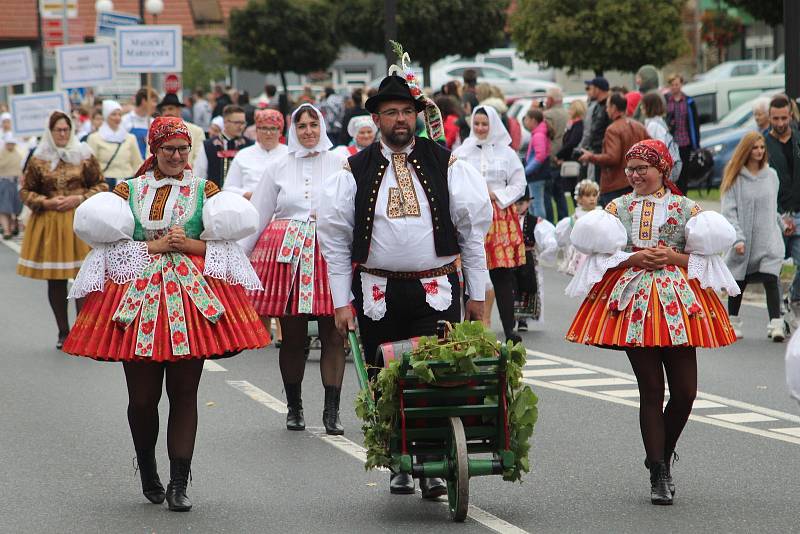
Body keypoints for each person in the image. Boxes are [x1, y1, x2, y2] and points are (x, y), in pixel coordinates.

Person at [62, 116, 269, 512]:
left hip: (190, 303)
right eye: (168, 149)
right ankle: (146, 468)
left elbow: (225, 248)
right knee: (141, 399)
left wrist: (188, 243)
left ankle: (178, 481)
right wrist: (153, 248)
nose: (176, 156)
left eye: (182, 148)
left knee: (184, 393)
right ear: (154, 151)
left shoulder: (205, 190)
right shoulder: (128, 190)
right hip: (136, 300)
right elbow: (106, 247)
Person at [317, 73, 492, 499]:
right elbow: (336, 241)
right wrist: (341, 302)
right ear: (375, 118)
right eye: (392, 112)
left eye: (407, 111)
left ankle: (431, 464)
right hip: (377, 290)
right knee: (384, 377)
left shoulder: (447, 163)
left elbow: (472, 233)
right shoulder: (353, 170)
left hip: (437, 288)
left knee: (435, 378)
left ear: (417, 115)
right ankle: (397, 458)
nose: (401, 120)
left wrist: (477, 295)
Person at [565, 139, 738, 505]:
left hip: (680, 304)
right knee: (650, 390)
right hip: (633, 305)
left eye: (643, 168)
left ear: (663, 169)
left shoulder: (687, 207)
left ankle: (662, 450)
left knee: (686, 393)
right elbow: (598, 255)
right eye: (631, 168)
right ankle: (658, 471)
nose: (635, 174)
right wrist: (633, 258)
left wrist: (673, 256)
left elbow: (706, 256)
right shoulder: (617, 207)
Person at [239, 103, 347, 436]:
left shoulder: (341, 162)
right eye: (302, 126)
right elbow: (258, 213)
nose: (309, 131)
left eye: (314, 124)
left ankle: (332, 411)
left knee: (334, 333)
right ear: (293, 130)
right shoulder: (277, 165)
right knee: (294, 337)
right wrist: (238, 261)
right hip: (288, 258)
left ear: (323, 126)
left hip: (329, 253)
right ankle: (295, 407)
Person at [17, 111, 107, 348]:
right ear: (50, 131)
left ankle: (82, 330)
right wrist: (46, 202)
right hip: (50, 223)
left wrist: (78, 198)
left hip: (80, 222)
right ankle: (63, 331)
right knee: (56, 280)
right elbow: (25, 191)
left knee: (82, 278)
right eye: (58, 130)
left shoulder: (84, 155)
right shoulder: (38, 159)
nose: (63, 134)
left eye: (66, 129)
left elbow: (100, 184)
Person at [454, 105, 527, 343]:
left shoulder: (506, 153)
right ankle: (468, 329)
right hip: (471, 214)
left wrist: (497, 195)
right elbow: (454, 179)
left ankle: (509, 328)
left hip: (499, 216)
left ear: (493, 125)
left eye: (485, 124)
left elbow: (519, 184)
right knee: (469, 271)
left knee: (501, 274)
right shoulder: (463, 151)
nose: (480, 128)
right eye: (477, 124)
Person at [720, 131, 785, 341]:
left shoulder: (771, 176)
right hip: (744, 242)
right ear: (746, 150)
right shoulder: (735, 177)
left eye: (762, 147)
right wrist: (737, 238)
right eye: (755, 148)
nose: (759, 151)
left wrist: (782, 224)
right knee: (739, 281)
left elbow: (772, 208)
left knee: (771, 278)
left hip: (769, 239)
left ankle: (776, 323)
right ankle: (733, 321)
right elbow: (729, 212)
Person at [765, 95, 800, 323]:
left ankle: (794, 298)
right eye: (775, 118)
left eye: (783, 118)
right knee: (773, 269)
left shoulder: (798, 140)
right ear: (769, 117)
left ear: (791, 115)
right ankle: (777, 315)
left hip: (798, 212)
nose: (780, 123)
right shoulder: (762, 144)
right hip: (774, 215)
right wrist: (778, 216)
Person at [579, 92, 649, 206]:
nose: (606, 110)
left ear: (614, 108)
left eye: (607, 106)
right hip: (637, 181)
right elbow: (650, 150)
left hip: (616, 185)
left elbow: (612, 158)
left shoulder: (613, 129)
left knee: (614, 222)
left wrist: (590, 157)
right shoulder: (639, 126)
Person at [512, 190, 556, 332]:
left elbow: (550, 239)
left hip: (528, 259)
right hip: (510, 258)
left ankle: (523, 319)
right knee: (511, 288)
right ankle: (511, 318)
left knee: (528, 287)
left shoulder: (535, 222)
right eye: (515, 204)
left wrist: (543, 254)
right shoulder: (506, 221)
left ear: (529, 203)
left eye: (521, 203)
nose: (518, 207)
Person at [223, 109, 287, 200]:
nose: (268, 133)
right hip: (248, 207)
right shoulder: (243, 155)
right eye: (264, 128)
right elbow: (228, 188)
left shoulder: (289, 154)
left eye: (273, 128)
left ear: (280, 131)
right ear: (257, 130)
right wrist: (247, 194)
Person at [86, 100, 143, 189]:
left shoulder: (130, 138)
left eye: (119, 114)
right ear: (106, 116)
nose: (117, 117)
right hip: (105, 183)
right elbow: (91, 166)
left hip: (127, 182)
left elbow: (137, 163)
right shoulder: (94, 138)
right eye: (113, 114)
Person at [193, 105, 253, 188]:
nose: (241, 126)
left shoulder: (250, 145)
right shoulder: (208, 145)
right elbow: (199, 175)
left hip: (241, 198)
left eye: (243, 123)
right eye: (237, 123)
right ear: (225, 122)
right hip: (214, 197)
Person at [555, 179, 601, 275]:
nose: (592, 198)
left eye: (594, 195)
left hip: (597, 254)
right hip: (580, 255)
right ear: (579, 199)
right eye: (588, 196)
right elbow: (563, 237)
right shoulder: (575, 218)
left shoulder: (602, 216)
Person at [665, 73, 700, 194]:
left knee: (684, 173)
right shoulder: (666, 100)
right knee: (672, 172)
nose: (675, 87)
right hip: (671, 143)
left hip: (685, 142)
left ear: (681, 85)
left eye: (677, 84)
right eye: (673, 85)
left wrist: (696, 143)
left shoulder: (689, 101)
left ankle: (683, 196)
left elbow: (695, 123)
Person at [641, 92, 682, 183]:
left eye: (643, 105)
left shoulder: (653, 126)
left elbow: (657, 150)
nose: (641, 108)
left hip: (661, 171)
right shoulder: (659, 122)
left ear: (649, 106)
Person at [156, 93, 207, 167]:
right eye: (164, 110)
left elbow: (199, 162)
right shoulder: (156, 132)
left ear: (179, 110)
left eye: (170, 108)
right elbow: (151, 157)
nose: (166, 113)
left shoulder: (197, 131)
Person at [544, 87, 570, 222]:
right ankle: (563, 221)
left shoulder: (547, 115)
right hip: (564, 156)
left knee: (547, 195)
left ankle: (550, 223)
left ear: (550, 100)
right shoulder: (568, 114)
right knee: (561, 195)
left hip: (551, 156)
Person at [554, 99, 587, 197]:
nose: (568, 111)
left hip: (575, 161)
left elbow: (572, 143)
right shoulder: (573, 124)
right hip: (570, 160)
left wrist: (559, 155)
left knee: (576, 191)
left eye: (571, 109)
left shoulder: (578, 125)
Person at [523, 108, 551, 219]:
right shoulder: (538, 133)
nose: (525, 122)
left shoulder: (538, 135)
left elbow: (540, 156)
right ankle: (535, 225)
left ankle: (539, 225)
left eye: (527, 119)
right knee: (534, 202)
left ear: (533, 121)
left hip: (536, 174)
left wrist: (527, 170)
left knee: (537, 202)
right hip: (536, 174)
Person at [584, 77, 611, 180]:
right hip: (596, 151)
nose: (589, 91)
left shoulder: (607, 106)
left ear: (598, 89)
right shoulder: (597, 106)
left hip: (603, 152)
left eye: (591, 88)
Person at [122, 88, 158, 158]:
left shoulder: (153, 122)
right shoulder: (126, 120)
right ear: (144, 101)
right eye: (154, 101)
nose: (155, 105)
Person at [0, 132, 23, 239]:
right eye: (9, 143)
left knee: (16, 208)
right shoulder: (1, 154)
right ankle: (6, 230)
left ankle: (13, 225)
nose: (10, 145)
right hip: (4, 183)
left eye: (12, 143)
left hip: (16, 184)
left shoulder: (18, 155)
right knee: (4, 208)